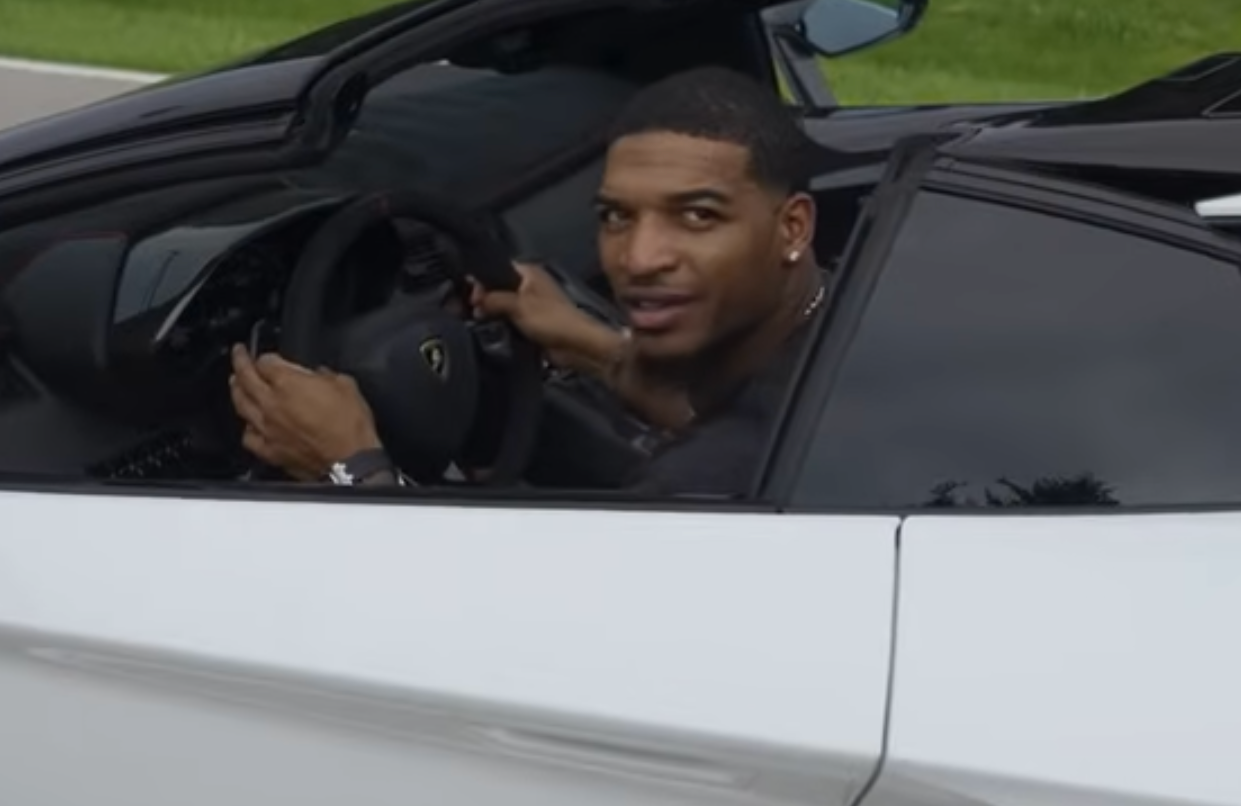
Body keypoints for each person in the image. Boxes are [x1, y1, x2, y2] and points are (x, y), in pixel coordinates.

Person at [229, 65, 830, 496]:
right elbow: (751, 411)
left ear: (793, 227)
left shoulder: (702, 489)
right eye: (617, 216)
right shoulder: (849, 324)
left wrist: (348, 465)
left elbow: (514, 630)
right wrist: (597, 349)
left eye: (697, 216)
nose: (641, 258)